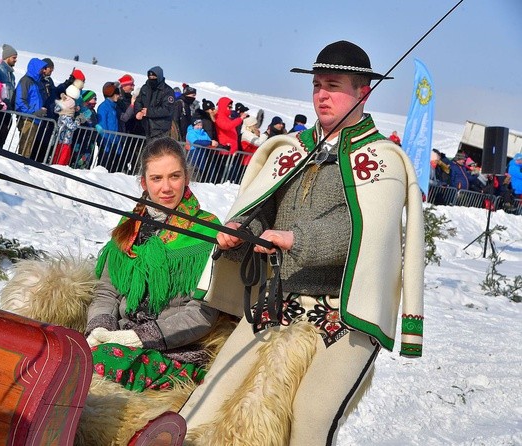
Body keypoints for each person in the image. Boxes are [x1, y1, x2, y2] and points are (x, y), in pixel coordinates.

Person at [179, 40, 424, 445]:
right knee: (210, 396)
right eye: (316, 85)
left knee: (310, 416)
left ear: (363, 92)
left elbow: (365, 235)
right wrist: (240, 231)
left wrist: (297, 239)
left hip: (344, 315)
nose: (322, 95)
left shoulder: (383, 160)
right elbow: (263, 211)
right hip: (277, 299)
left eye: (333, 85)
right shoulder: (291, 150)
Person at [85, 136, 221, 392]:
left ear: (187, 178)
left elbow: (202, 313)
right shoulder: (129, 228)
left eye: (174, 176)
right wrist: (100, 330)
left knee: (95, 365)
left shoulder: (208, 233)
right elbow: (106, 292)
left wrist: (138, 338)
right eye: (157, 178)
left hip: (175, 352)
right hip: (118, 339)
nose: (166, 187)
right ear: (144, 182)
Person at [15, 58, 48, 158]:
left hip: (35, 119)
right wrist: (33, 112)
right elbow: (20, 101)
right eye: (42, 68)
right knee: (25, 148)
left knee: (28, 148)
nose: (44, 70)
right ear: (35, 68)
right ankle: (20, 166)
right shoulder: (26, 81)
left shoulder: (37, 82)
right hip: (27, 118)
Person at [134, 66, 175, 140]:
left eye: (154, 77)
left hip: (160, 129)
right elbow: (138, 101)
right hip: (144, 126)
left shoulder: (167, 91)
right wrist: (138, 111)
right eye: (150, 77)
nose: (152, 79)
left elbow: (167, 109)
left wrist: (149, 112)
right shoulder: (145, 88)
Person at [96, 81, 121, 171]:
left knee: (113, 168)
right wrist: (106, 141)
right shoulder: (103, 107)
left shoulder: (114, 107)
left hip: (114, 141)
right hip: (107, 142)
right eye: (117, 94)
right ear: (112, 94)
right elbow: (102, 125)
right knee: (104, 166)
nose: (118, 96)